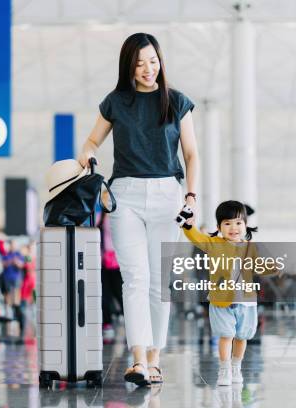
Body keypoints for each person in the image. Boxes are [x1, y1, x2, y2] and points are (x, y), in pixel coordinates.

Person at [78, 32, 199, 386]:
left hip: (167, 194)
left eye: (153, 61)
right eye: (140, 62)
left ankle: (155, 358)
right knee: (135, 279)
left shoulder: (177, 102)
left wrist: (191, 198)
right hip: (125, 194)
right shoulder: (116, 102)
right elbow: (91, 140)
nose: (148, 69)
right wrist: (86, 154)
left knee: (159, 283)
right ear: (128, 66)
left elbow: (191, 154)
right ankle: (138, 360)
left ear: (160, 62)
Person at [180, 200, 278, 387]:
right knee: (226, 335)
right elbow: (196, 237)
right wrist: (188, 225)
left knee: (242, 337)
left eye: (238, 223)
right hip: (221, 301)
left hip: (247, 301)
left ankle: (236, 367)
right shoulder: (214, 243)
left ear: (245, 225)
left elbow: (257, 266)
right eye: (227, 223)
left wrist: (271, 268)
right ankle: (224, 369)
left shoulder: (250, 247)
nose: (233, 228)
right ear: (218, 227)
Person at [97, 189, 123, 344]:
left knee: (120, 293)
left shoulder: (117, 217)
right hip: (101, 261)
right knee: (103, 295)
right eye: (104, 199)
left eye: (108, 199)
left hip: (116, 261)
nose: (106, 202)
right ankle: (106, 323)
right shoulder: (100, 217)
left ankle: (131, 322)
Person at [0, 240, 24, 320]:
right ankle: (8, 312)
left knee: (16, 295)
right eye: (11, 245)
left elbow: (21, 265)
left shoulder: (19, 254)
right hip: (7, 277)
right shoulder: (6, 254)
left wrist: (16, 261)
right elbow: (3, 264)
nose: (13, 246)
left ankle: (16, 312)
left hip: (16, 278)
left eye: (14, 245)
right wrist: (11, 261)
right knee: (7, 294)